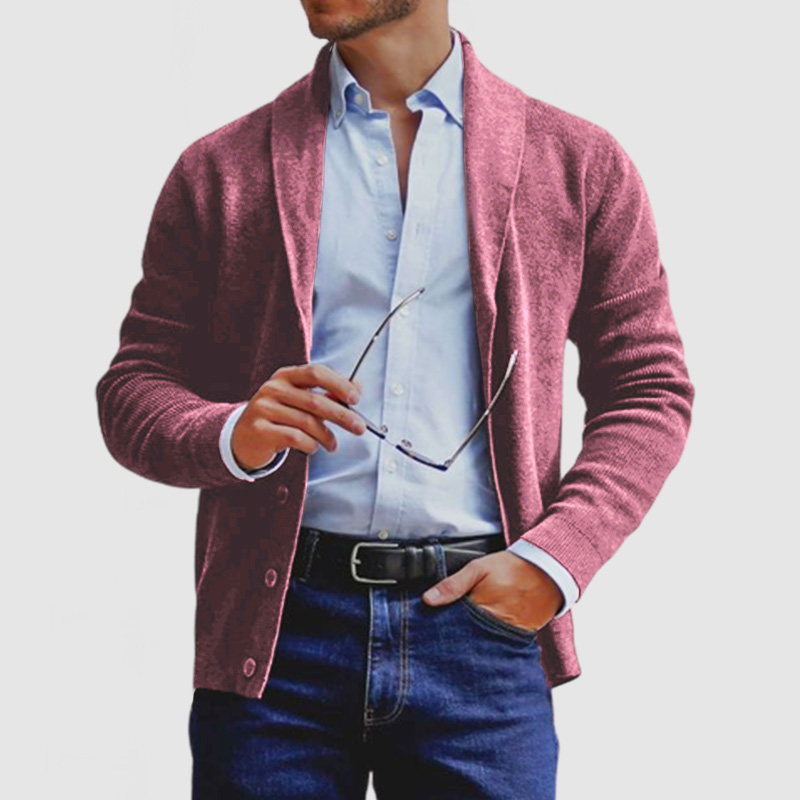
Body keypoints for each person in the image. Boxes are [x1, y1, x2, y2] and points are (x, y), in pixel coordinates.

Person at [95, 1, 694, 797]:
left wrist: (556, 560)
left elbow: (649, 388)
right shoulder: (222, 169)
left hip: (482, 632)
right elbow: (134, 387)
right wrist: (232, 432)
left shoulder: (578, 163)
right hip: (278, 640)